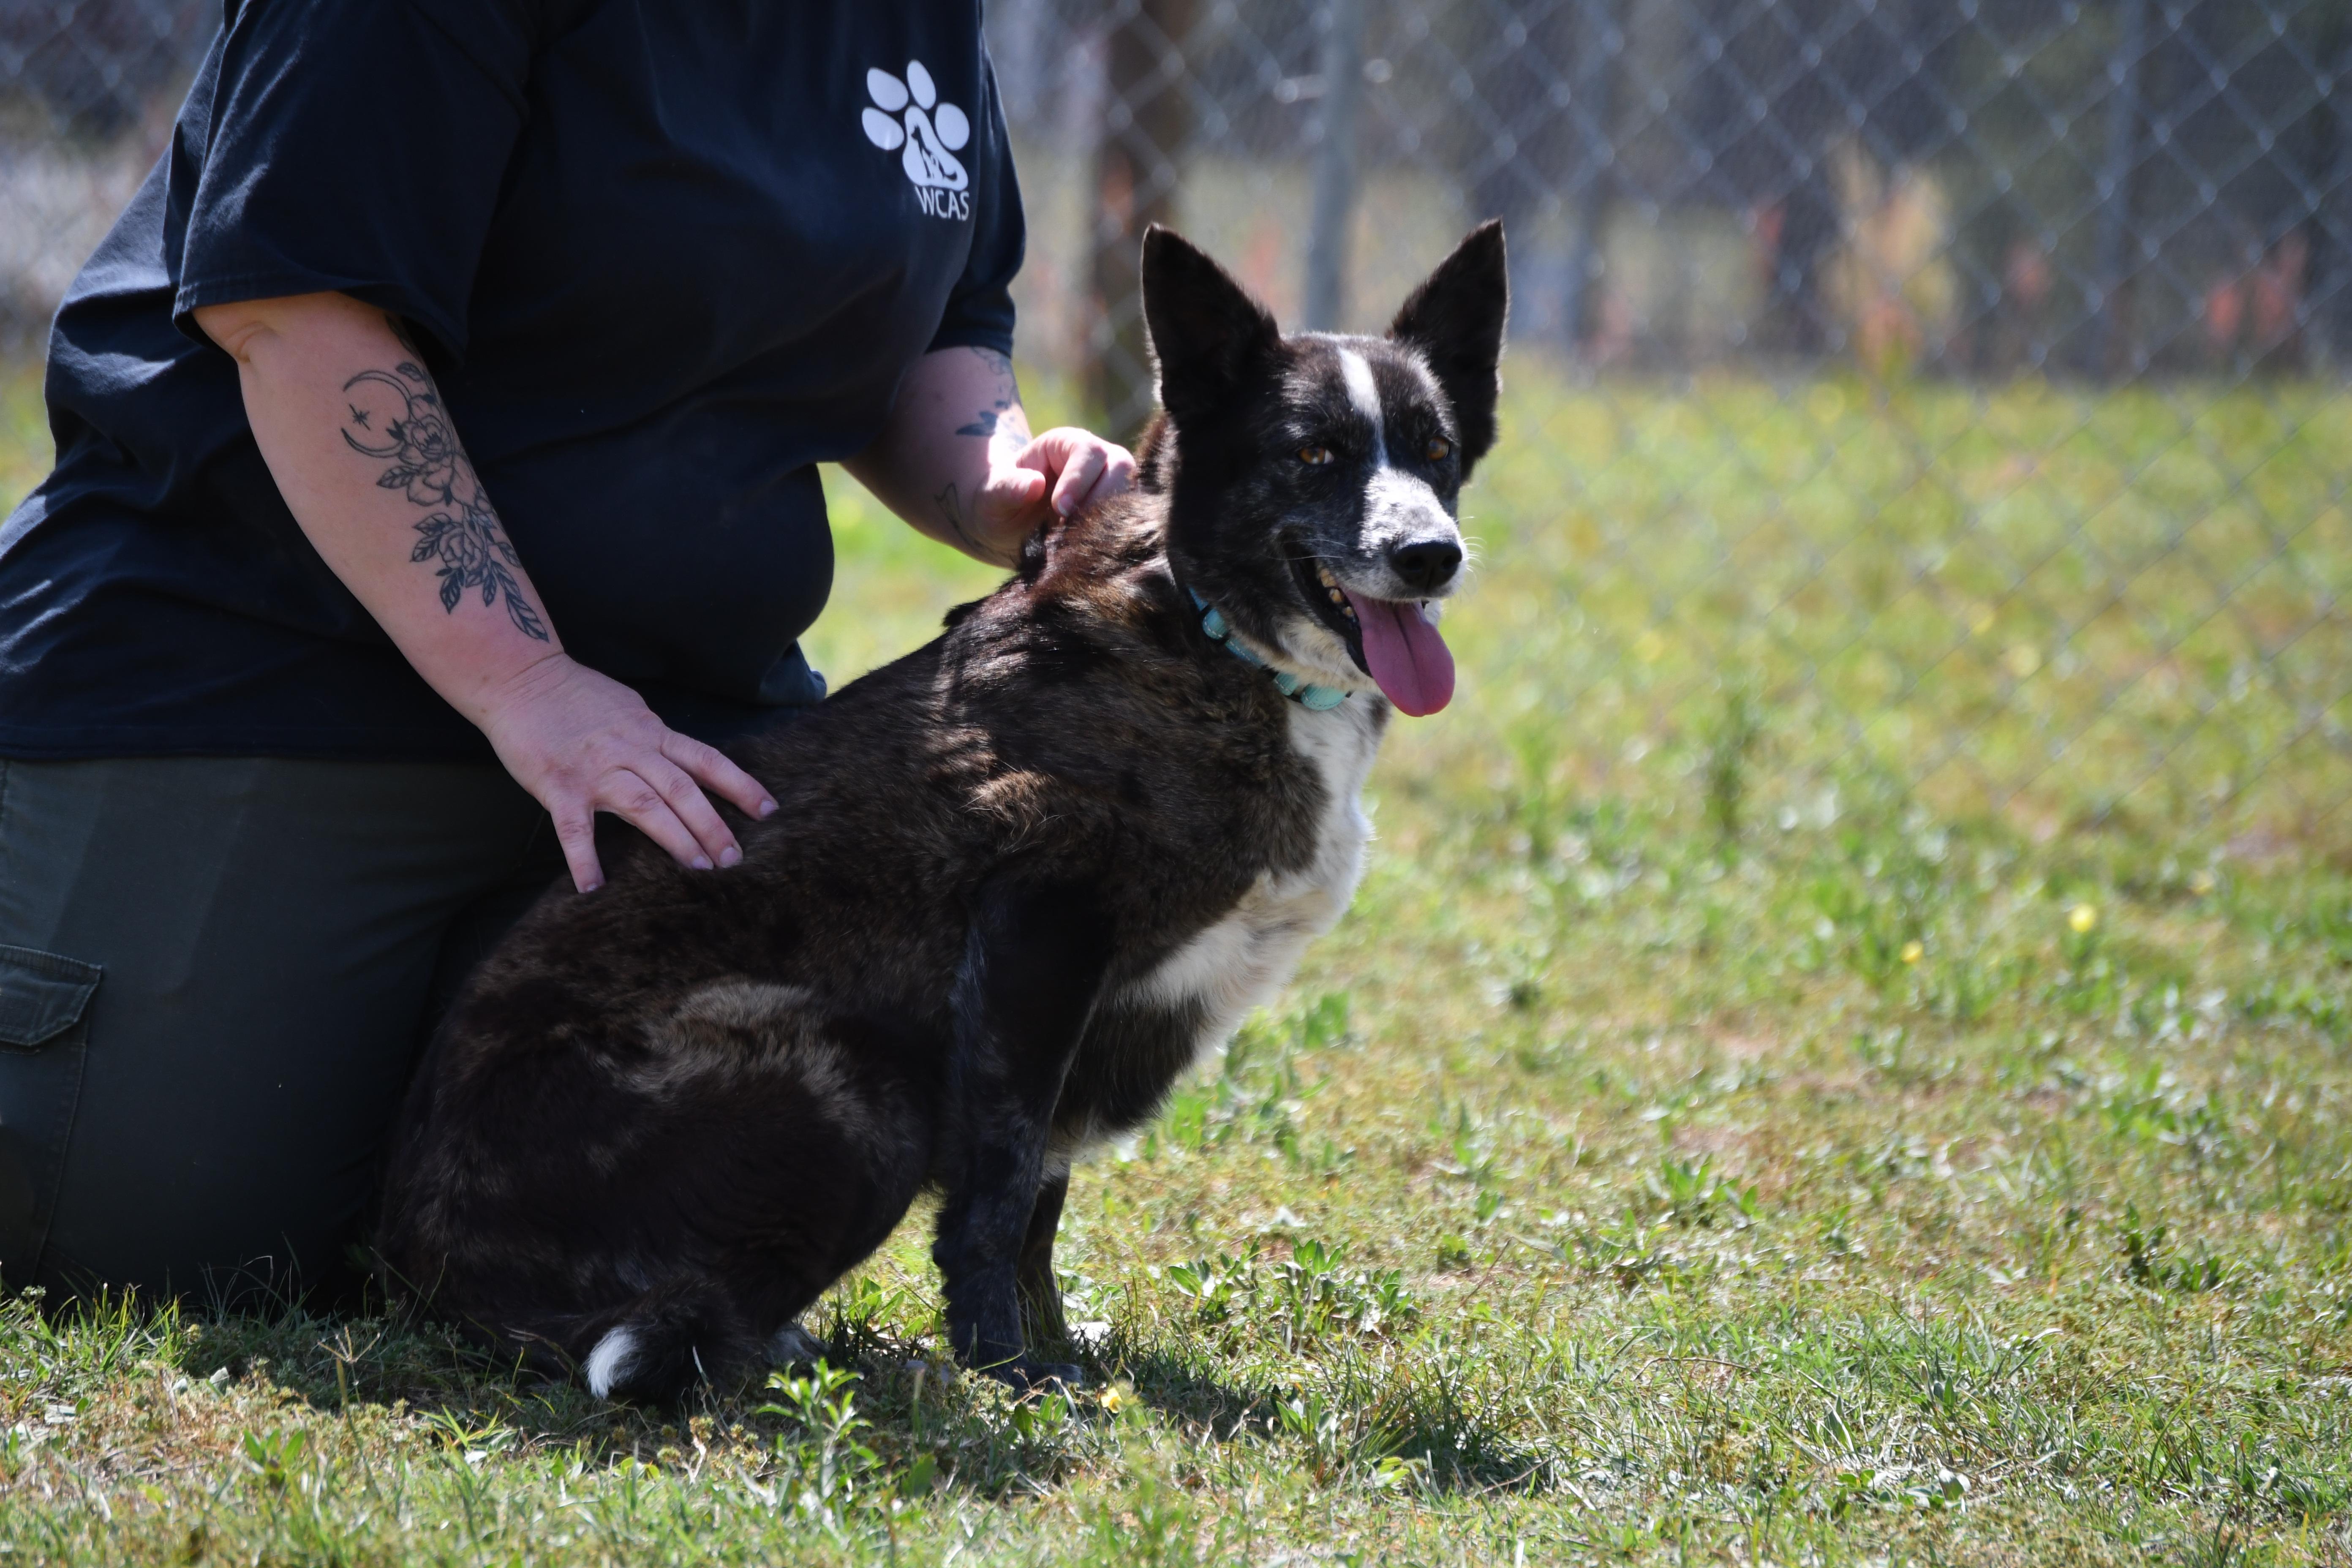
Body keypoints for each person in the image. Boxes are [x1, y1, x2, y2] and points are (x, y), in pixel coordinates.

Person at [0, 0, 1135, 1307]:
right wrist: (530, 684)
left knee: (664, 1221)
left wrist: (992, 481)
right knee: (164, 1247)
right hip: (265, 669)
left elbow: (941, 329)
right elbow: (305, 319)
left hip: (675, 722)